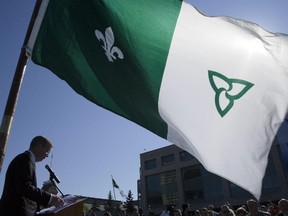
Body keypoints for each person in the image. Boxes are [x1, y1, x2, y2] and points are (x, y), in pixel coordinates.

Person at [0, 136, 64, 216]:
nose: (47, 155)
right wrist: (50, 198)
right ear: (39, 146)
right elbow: (24, 187)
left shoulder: (26, 160)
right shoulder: (25, 159)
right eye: (47, 151)